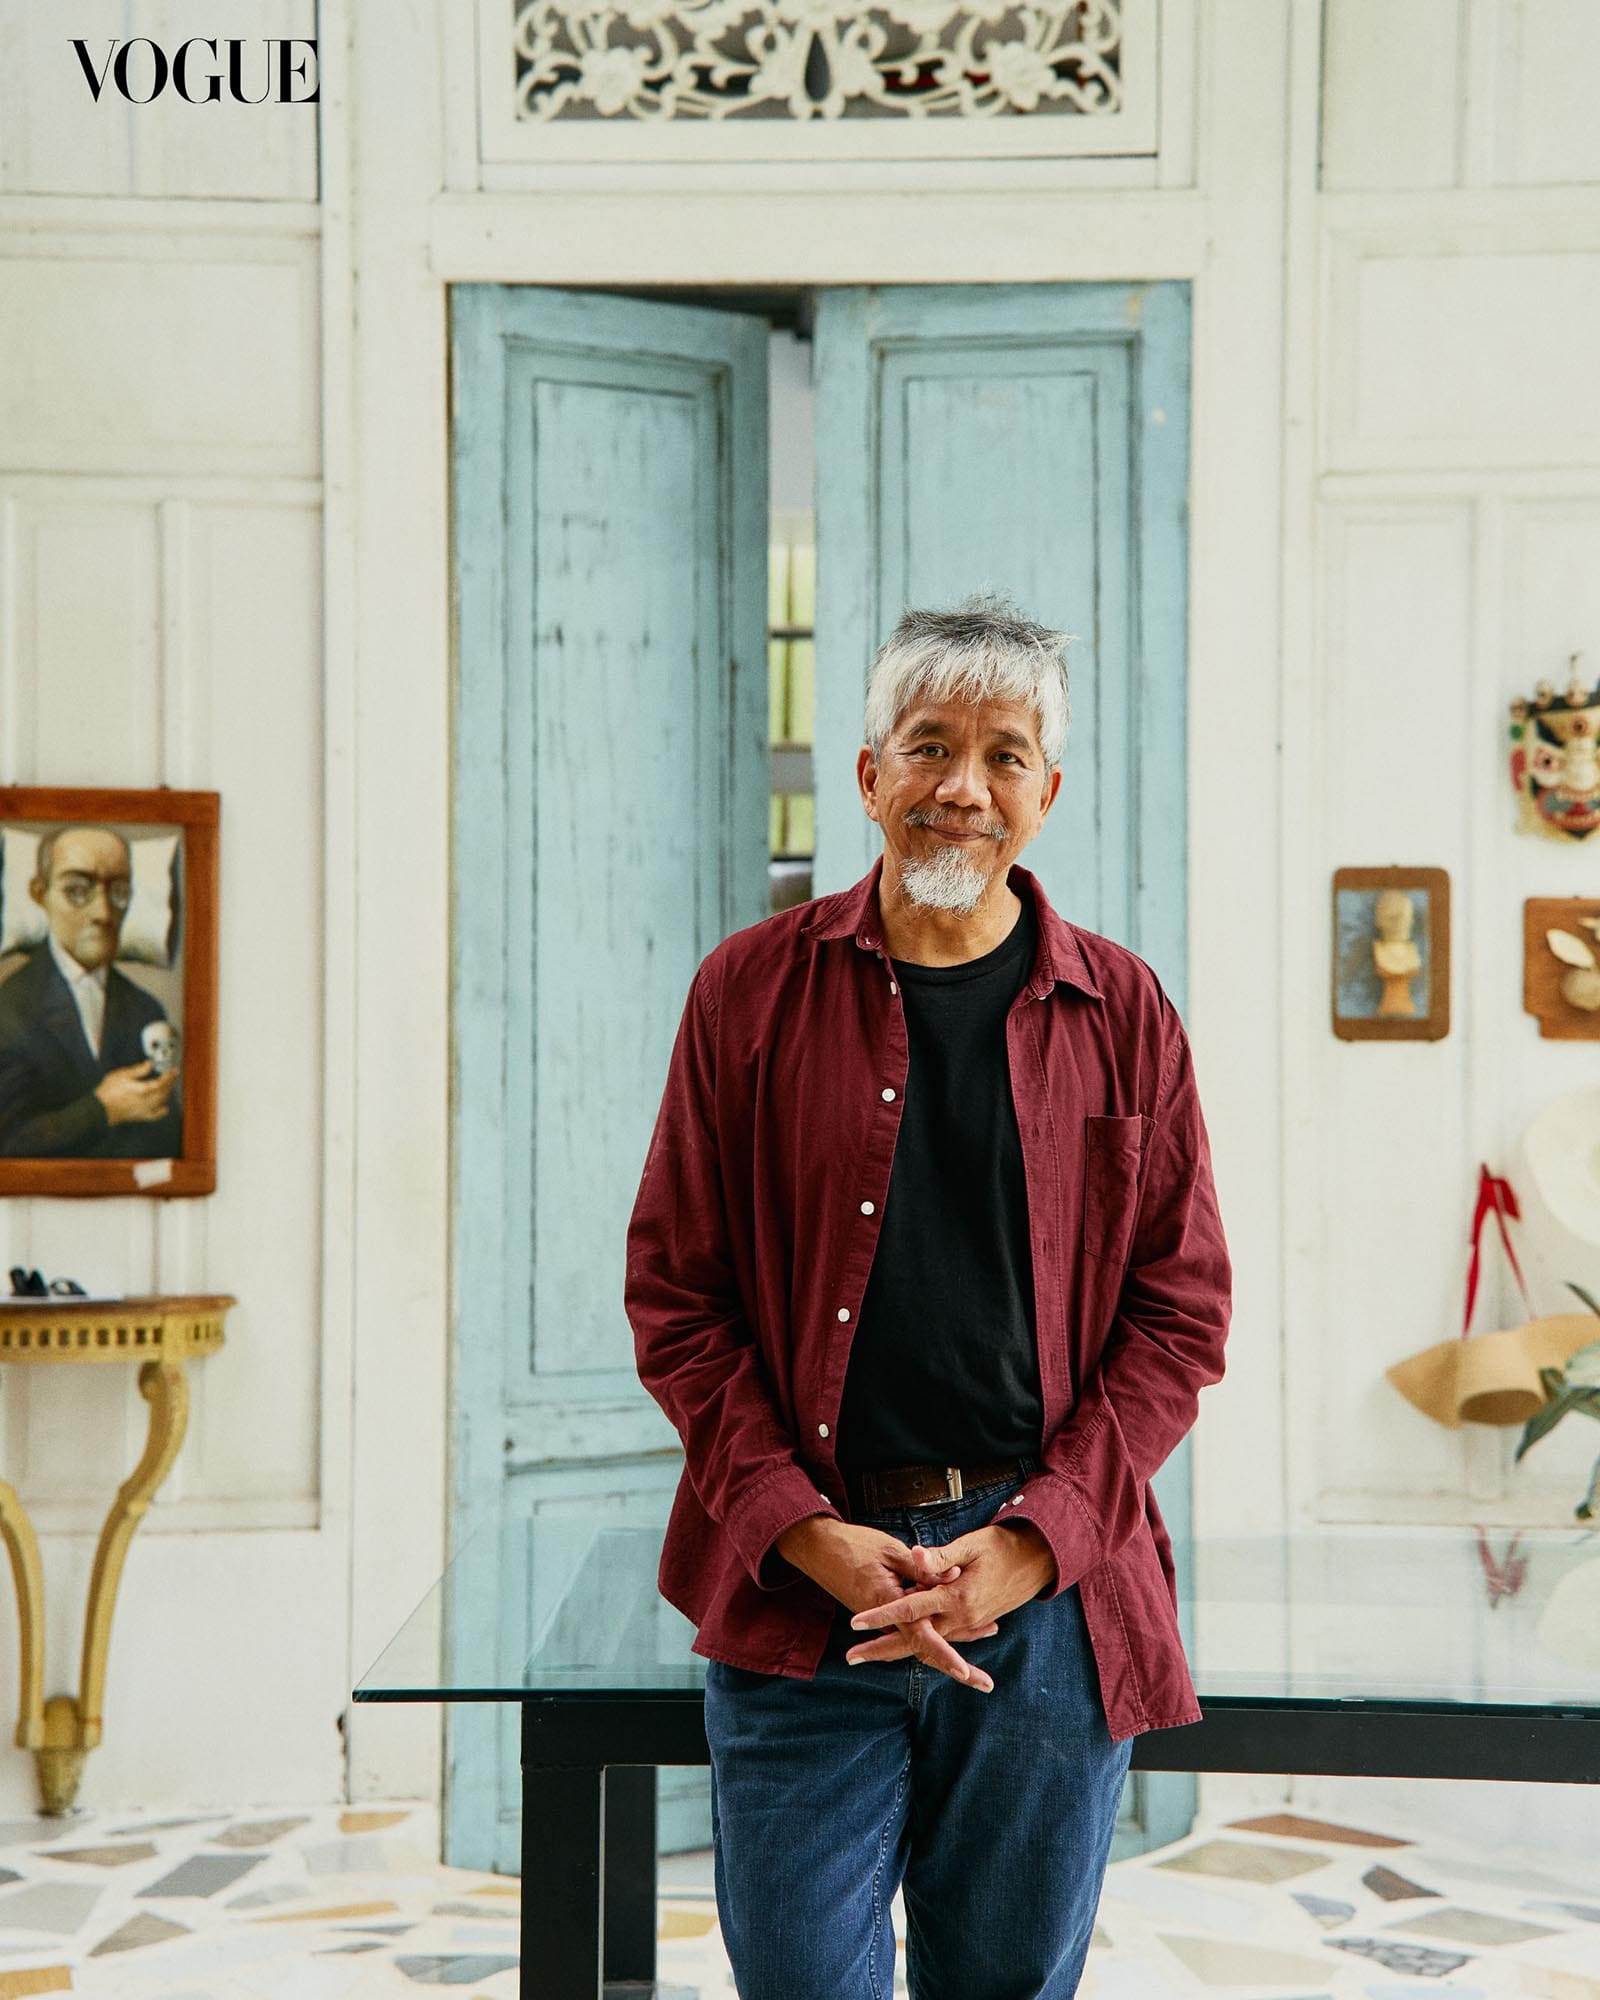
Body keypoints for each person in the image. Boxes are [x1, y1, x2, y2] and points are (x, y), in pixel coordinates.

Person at [626, 596, 1231, 2000]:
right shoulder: (747, 994)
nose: (965, 786)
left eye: (1006, 755)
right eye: (932, 746)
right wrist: (800, 1529)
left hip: (1042, 1598)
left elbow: (1180, 1315)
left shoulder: (1125, 1013)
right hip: (803, 1588)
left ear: (1047, 795)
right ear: (870, 773)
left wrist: (1033, 1545)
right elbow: (679, 1295)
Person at [0, 825, 182, 1158]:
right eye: (77, 889)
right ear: (40, 894)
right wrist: (102, 1110)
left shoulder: (145, 1010)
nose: (103, 913)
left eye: (119, 891)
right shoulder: (8, 1009)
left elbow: (168, 1142)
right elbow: (7, 1144)